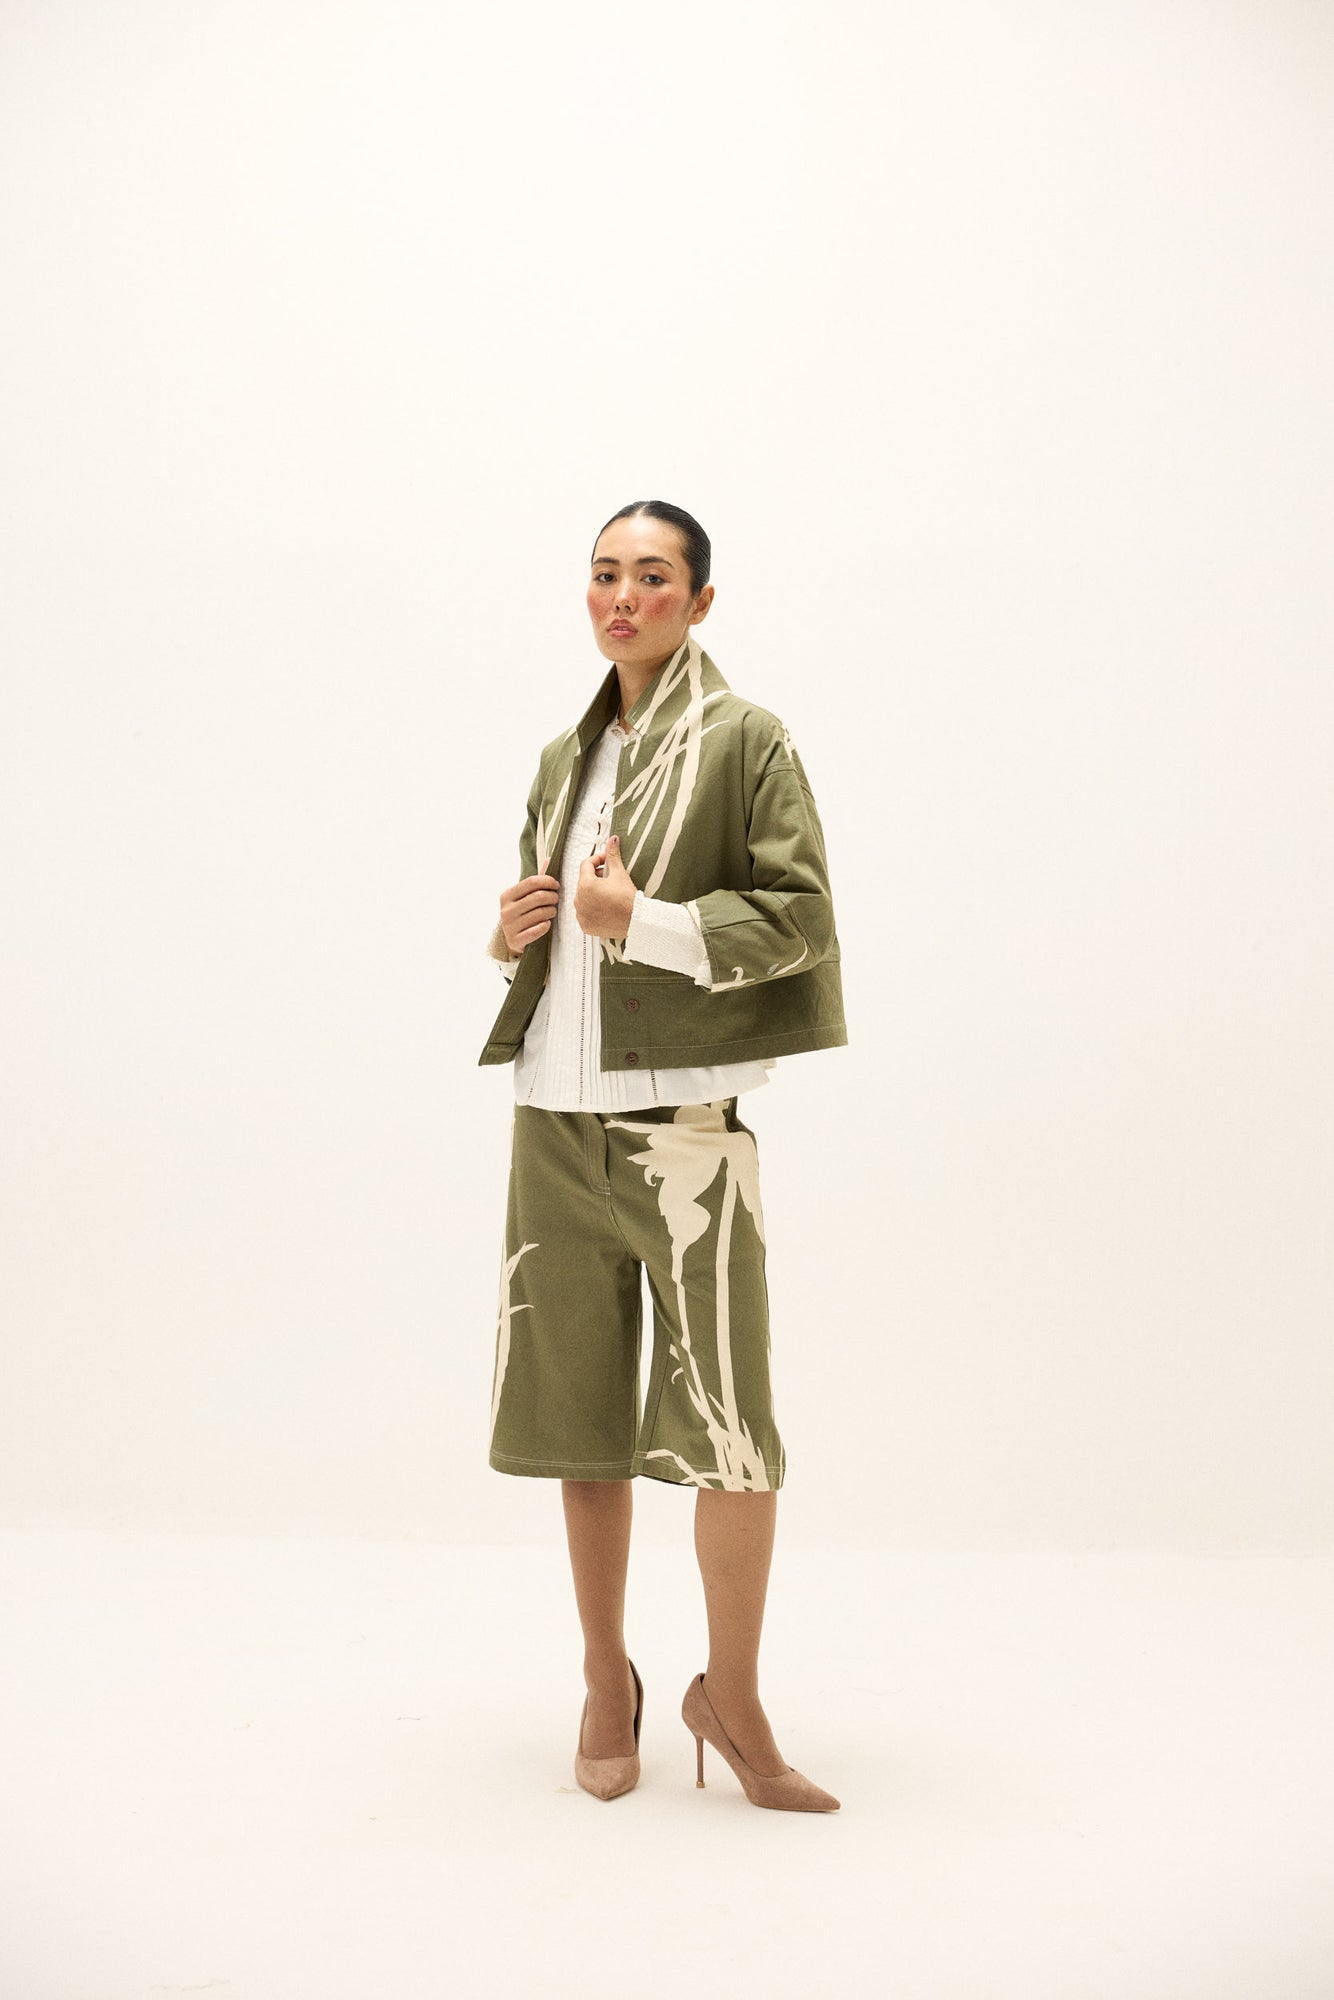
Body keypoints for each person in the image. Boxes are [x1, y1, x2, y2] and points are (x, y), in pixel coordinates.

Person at [478, 500, 848, 1811]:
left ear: (699, 600)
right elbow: (560, 946)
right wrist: (515, 936)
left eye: (651, 575)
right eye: (603, 574)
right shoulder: (560, 759)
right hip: (551, 1122)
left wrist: (645, 921)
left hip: (685, 1136)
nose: (622, 597)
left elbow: (799, 917)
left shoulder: (747, 740)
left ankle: (730, 1698)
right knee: (581, 1425)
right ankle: (605, 1679)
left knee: (730, 1433)